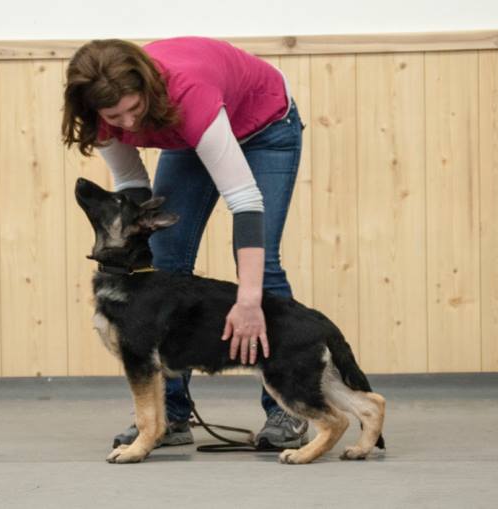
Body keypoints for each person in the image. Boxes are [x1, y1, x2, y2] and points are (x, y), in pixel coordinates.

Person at [62, 36, 306, 450]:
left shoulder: (189, 97)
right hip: (188, 136)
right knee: (166, 260)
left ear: (147, 90)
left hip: (263, 126)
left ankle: (286, 408)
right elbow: (132, 185)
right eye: (114, 116)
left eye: (134, 109)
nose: (128, 124)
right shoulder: (101, 118)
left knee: (260, 273)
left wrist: (248, 301)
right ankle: (169, 416)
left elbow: (244, 200)